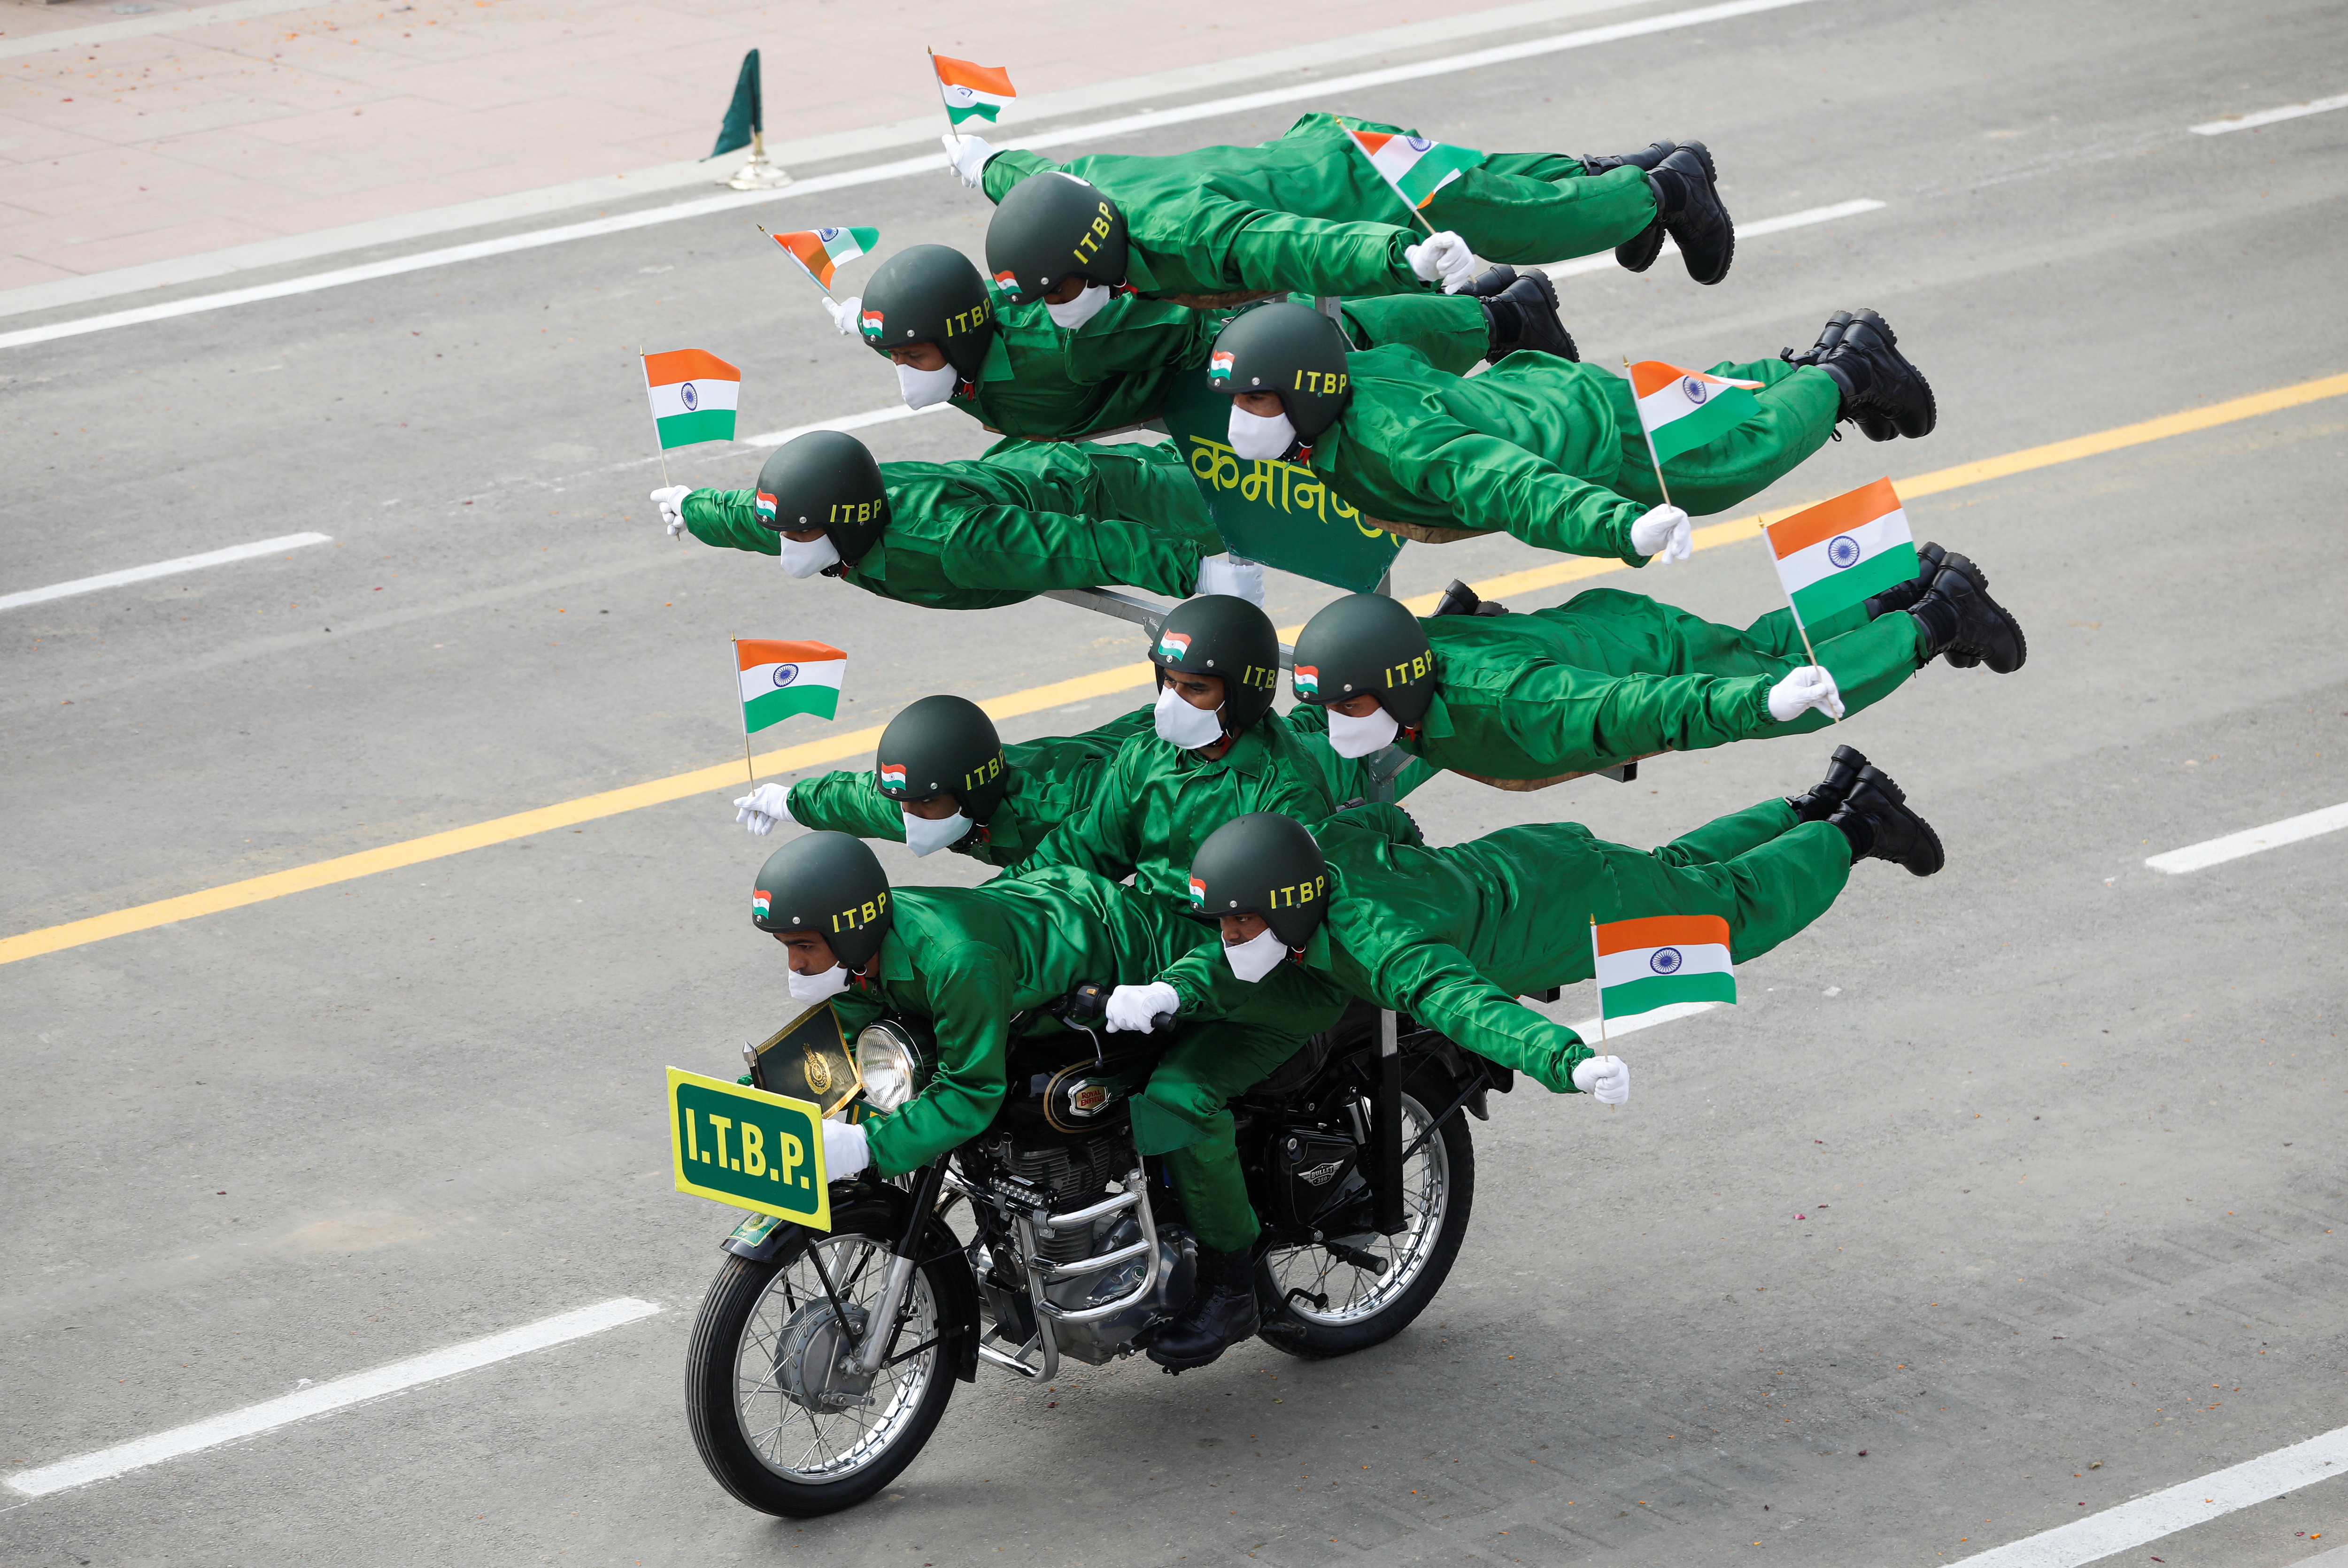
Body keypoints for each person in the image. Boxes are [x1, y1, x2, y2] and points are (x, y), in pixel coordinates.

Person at [749, 831, 1341, 1370]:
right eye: (785, 948)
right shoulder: (863, 957)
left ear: (851, 929)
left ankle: (1230, 1281)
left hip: (1130, 957)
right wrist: (792, 1106)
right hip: (1048, 925)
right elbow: (852, 1046)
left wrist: (863, 1145)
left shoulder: (956, 961)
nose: (794, 965)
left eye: (802, 946)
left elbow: (968, 1090)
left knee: (1178, 1099)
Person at [1202, 300, 1938, 564]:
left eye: (1258, 402)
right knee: (1698, 419)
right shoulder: (1353, 371)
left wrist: (1621, 526)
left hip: (1584, 441)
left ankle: (1846, 377)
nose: (1241, 420)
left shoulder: (1398, 442)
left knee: (1728, 467)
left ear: (1312, 391)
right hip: (1536, 391)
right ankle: (1812, 364)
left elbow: (1512, 485)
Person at [1283, 552, 2026, 783]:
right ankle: (1903, 581)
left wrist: (1754, 708)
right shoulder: (1397, 667)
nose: (1338, 722)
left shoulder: (1518, 703)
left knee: (1783, 685)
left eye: (1347, 708)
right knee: (1760, 647)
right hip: (1604, 631)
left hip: (1642, 662)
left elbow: (1642, 711)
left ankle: (1935, 619)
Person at [963, 115, 1732, 308]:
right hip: (1326, 148)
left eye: (1059, 291)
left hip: (1368, 191)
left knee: (1527, 223)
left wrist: (1398, 259)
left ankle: (1671, 190)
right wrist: (980, 159)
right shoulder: (1072, 190)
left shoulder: (1179, 232)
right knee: (1495, 179)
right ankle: (1630, 175)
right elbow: (1022, 175)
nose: (1054, 304)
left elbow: (1294, 246)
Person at [819, 244, 1566, 440]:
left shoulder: (1067, 344)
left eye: (912, 357)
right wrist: (869, 322)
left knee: (1347, 344)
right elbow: (925, 325)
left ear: (959, 337)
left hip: (1202, 355)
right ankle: (1479, 295)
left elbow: (1181, 326)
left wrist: (1257, 353)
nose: (905, 375)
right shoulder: (956, 353)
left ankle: (1506, 316)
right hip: (1171, 387)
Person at [729, 688, 1437, 858]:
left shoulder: (1055, 809)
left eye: (923, 805)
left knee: (1373, 750)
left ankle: (1452, 680)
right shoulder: (944, 803)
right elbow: (869, 800)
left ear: (968, 794)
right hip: (1151, 745)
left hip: (1184, 772)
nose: (910, 819)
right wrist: (793, 800)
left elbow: (1104, 859)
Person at [651, 428, 1259, 608]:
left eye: (801, 533)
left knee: (1266, 496)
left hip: (1106, 496)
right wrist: (693, 509)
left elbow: (1070, 546)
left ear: (850, 521)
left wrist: (1193, 574)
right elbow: (749, 518)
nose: (789, 548)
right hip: (1020, 471)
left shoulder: (947, 544)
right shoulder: (827, 514)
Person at [1004, 593, 1343, 909]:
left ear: (1245, 693)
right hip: (1146, 928)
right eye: (1169, 682)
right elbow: (1084, 848)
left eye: (1196, 688)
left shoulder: (1287, 792)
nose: (1174, 700)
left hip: (1212, 946)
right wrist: (997, 904)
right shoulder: (1149, 753)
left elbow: (1274, 923)